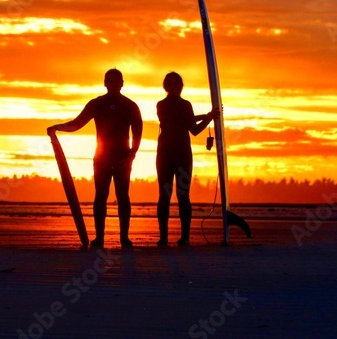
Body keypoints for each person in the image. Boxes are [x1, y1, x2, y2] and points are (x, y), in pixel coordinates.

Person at [48, 69, 142, 248]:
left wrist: (132, 153)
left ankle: (124, 237)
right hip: (102, 157)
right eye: (110, 81)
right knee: (100, 196)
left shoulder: (130, 105)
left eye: (117, 81)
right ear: (105, 83)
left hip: (123, 157)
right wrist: (57, 127)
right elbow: (77, 123)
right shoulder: (97, 103)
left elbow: (138, 131)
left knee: (123, 196)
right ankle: (99, 238)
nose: (114, 84)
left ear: (122, 83)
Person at [155, 72, 217, 247]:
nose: (174, 88)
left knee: (183, 195)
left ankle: (185, 237)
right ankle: (163, 237)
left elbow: (194, 130)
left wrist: (207, 119)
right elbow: (176, 121)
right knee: (164, 195)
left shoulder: (186, 104)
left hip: (183, 155)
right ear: (166, 87)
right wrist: (205, 116)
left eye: (177, 84)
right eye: (171, 84)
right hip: (165, 155)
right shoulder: (161, 105)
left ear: (181, 86)